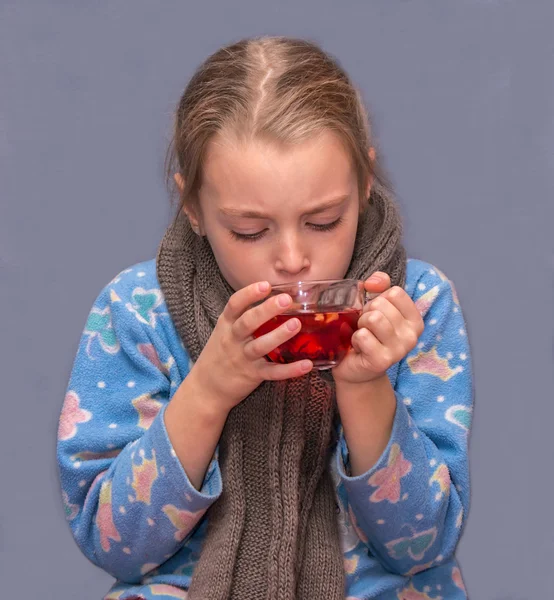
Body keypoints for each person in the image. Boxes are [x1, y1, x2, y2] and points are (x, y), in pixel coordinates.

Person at [57, 36, 473, 600]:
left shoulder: (415, 306)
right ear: (193, 208)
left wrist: (366, 386)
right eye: (250, 231)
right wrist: (208, 387)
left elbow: (421, 548)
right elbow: (117, 548)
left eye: (324, 221)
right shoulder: (135, 312)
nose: (293, 259)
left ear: (365, 184)